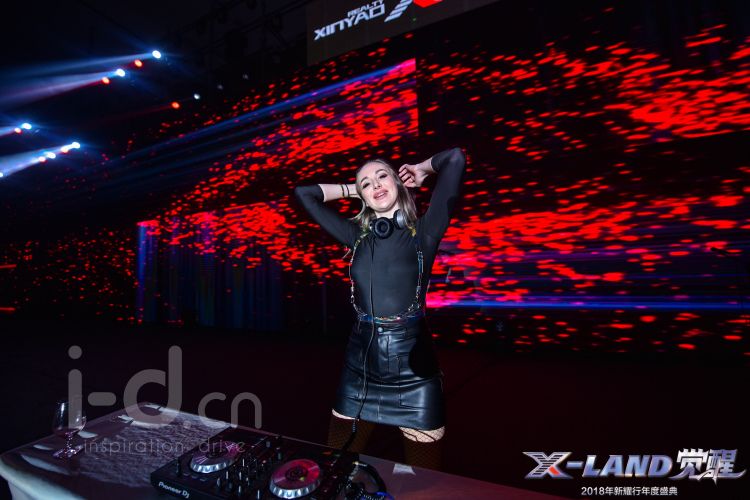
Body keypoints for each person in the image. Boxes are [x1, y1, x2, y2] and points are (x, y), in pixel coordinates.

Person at [294, 147, 466, 470]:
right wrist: (355, 189)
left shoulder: (426, 231)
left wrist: (421, 169)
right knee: (335, 468)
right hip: (359, 370)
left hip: (415, 376)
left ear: (398, 182)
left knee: (423, 481)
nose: (375, 184)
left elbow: (455, 158)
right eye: (366, 183)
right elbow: (305, 194)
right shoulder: (356, 236)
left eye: (382, 176)